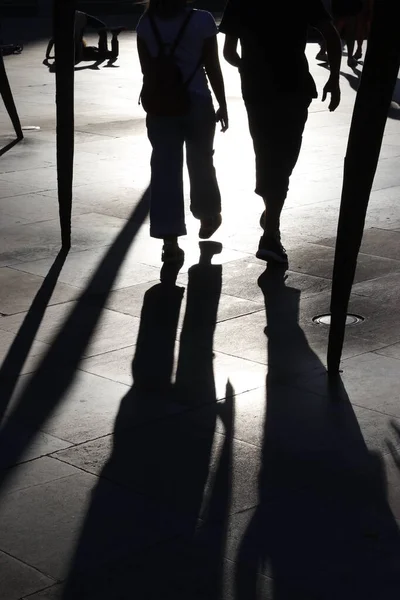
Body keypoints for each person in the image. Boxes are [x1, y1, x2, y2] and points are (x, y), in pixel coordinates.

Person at [220, 0, 342, 264]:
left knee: (265, 154)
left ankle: (271, 213)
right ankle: (271, 231)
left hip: (257, 90)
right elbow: (330, 33)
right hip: (294, 86)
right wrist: (334, 77)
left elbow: (229, 52)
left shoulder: (239, 3)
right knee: (285, 156)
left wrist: (248, 67)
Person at [137, 0, 228, 263]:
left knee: (165, 169)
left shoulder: (146, 24)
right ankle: (208, 214)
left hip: (160, 108)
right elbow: (212, 66)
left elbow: (147, 71)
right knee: (201, 161)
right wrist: (222, 103)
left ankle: (170, 241)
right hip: (197, 102)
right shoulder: (203, 20)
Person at [45, 11, 124, 65]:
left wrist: (80, 57)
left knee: (110, 54)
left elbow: (52, 41)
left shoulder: (67, 33)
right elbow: (51, 42)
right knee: (108, 52)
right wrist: (47, 55)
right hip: (87, 50)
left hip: (87, 51)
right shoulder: (66, 32)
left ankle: (114, 36)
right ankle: (114, 36)